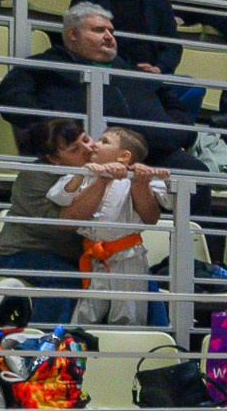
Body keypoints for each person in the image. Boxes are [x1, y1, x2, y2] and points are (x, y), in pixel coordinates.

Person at [0, 2, 200, 167]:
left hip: (149, 152)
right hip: (82, 154)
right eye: (99, 30)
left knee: (193, 170)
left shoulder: (134, 71)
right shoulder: (44, 65)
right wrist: (60, 126)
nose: (109, 37)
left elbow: (173, 104)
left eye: (111, 31)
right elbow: (11, 97)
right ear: (73, 34)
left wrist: (176, 132)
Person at [54, 126, 162, 327]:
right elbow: (60, 196)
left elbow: (151, 215)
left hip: (128, 258)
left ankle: (126, 355)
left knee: (129, 315)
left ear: (124, 156)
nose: (94, 144)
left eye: (104, 142)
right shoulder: (85, 174)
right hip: (94, 256)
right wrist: (84, 174)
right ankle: (78, 349)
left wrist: (142, 181)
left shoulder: (138, 180)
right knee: (86, 313)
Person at [0, 122, 95, 323]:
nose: (87, 149)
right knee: (66, 279)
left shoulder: (95, 167)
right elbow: (63, 226)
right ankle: (44, 343)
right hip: (21, 252)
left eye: (86, 139)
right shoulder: (34, 177)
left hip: (72, 256)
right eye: (75, 149)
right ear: (54, 159)